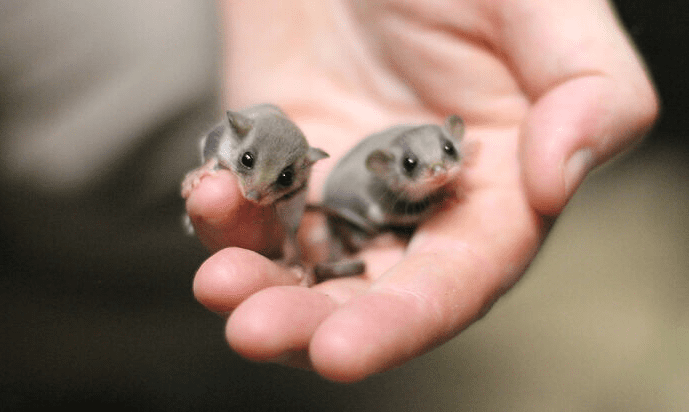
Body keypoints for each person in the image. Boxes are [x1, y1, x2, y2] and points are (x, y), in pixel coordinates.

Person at [185, 0, 658, 383]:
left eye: (448, 153)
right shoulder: (248, 143)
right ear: (389, 169)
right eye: (416, 167)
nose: (437, 170)